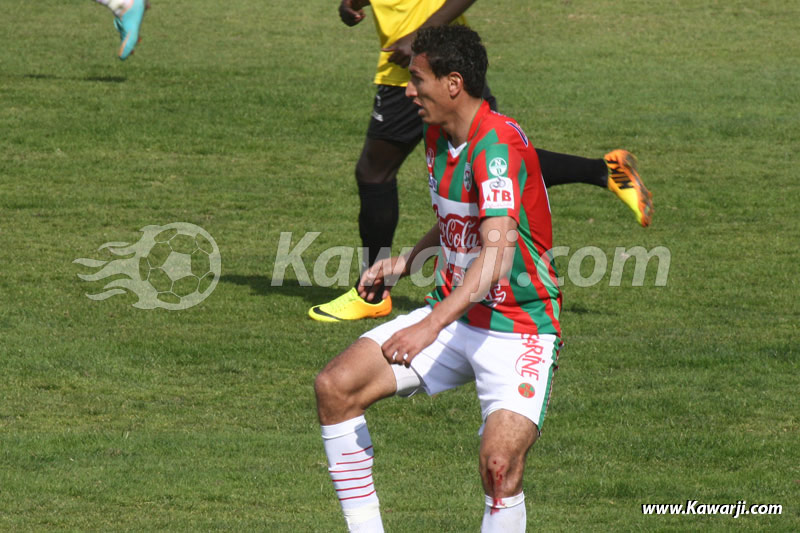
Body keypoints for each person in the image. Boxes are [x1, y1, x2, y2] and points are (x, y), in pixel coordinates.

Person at [315, 25, 562, 532]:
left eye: (418, 79)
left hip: (519, 327)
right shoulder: (437, 134)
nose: (408, 90)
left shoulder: (498, 148)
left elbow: (494, 257)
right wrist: (408, 260)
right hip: (456, 312)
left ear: (454, 84)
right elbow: (459, 216)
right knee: (336, 388)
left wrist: (428, 327)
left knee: (499, 468)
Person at [307, 0, 653, 323]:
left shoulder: (423, 78)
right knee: (491, 162)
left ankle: (373, 290)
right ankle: (604, 170)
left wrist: (419, 38)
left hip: (427, 67)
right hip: (430, 64)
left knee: (381, 172)